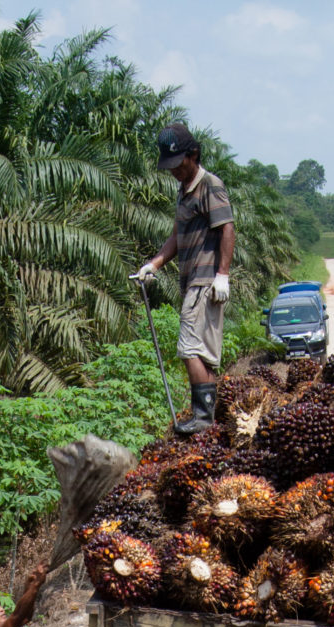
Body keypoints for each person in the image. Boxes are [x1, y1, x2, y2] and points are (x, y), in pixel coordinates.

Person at [134, 121, 235, 436]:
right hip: (191, 282)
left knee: (189, 348)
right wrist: (153, 264)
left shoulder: (210, 186)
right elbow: (177, 238)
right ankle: (206, 418)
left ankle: (203, 419)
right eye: (171, 166)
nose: (175, 171)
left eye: (179, 164)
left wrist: (222, 275)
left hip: (205, 282)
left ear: (194, 155)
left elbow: (227, 228)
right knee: (200, 352)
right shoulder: (183, 193)